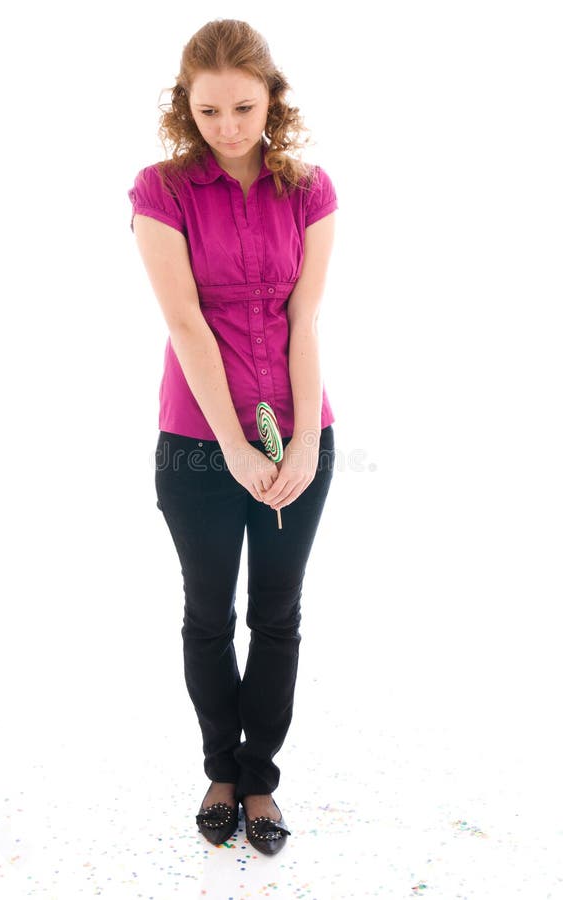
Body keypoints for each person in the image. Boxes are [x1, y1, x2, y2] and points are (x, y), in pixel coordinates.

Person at [127, 18, 338, 856]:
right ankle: (220, 767)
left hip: (298, 438)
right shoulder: (161, 190)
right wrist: (238, 450)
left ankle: (260, 780)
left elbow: (305, 317)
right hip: (195, 445)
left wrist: (310, 445)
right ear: (187, 106)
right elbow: (186, 323)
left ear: (271, 99)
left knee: (278, 617)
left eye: (243, 107)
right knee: (208, 616)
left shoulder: (310, 189)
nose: (227, 127)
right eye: (208, 110)